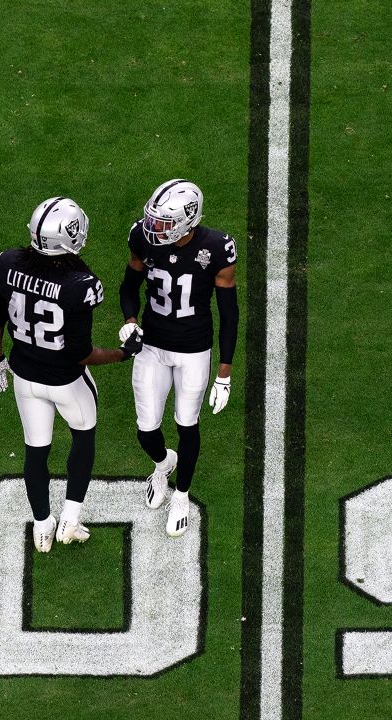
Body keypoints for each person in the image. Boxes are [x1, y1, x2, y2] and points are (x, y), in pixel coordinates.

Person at [0, 197, 144, 553]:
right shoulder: (80, 284)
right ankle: (70, 520)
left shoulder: (9, 263)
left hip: (25, 378)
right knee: (83, 438)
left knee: (35, 451)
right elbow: (81, 354)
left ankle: (42, 526)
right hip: (66, 382)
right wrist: (123, 354)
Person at [118, 179, 239, 537]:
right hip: (152, 346)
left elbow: (229, 314)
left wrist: (225, 373)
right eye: (153, 221)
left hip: (193, 350)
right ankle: (161, 464)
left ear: (189, 221)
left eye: (164, 223)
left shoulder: (217, 248)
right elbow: (129, 287)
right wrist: (130, 321)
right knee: (146, 430)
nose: (154, 229)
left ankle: (182, 495)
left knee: (187, 424)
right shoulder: (142, 238)